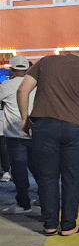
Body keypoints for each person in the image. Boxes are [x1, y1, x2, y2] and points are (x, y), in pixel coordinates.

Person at [18, 49, 79, 236]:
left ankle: (50, 225)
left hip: (44, 126)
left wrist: (24, 119)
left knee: (47, 178)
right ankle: (69, 226)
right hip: (77, 129)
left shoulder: (46, 61)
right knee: (73, 179)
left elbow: (23, 90)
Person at [1, 56, 39, 215]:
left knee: (19, 170)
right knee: (38, 169)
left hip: (15, 134)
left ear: (12, 69)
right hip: (36, 132)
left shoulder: (6, 86)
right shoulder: (37, 85)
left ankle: (23, 202)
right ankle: (43, 198)